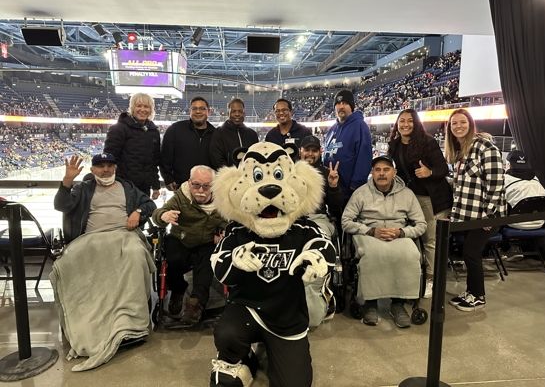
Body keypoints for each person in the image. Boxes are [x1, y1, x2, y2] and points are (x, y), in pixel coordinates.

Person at [209, 142, 335, 387]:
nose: (269, 189)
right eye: (257, 177)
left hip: (286, 316)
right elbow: (219, 265)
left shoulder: (304, 227)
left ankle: (269, 350)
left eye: (278, 175)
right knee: (227, 335)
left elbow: (323, 245)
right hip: (247, 310)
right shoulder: (237, 229)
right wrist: (235, 261)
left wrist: (318, 258)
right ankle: (239, 358)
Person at [51, 153, 156, 371]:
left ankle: (132, 325)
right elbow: (61, 205)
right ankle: (89, 326)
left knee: (136, 255)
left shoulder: (127, 187)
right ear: (93, 169)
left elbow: (150, 205)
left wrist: (137, 211)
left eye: (110, 166)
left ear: (115, 168)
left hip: (123, 235)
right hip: (90, 239)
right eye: (101, 166)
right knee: (67, 264)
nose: (106, 170)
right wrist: (67, 180)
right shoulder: (83, 189)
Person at [342, 155, 427, 328]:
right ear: (372, 173)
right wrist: (371, 231)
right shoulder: (361, 193)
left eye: (386, 169)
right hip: (369, 233)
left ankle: (398, 304)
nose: (382, 174)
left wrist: (401, 232)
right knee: (372, 255)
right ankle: (370, 303)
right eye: (378, 170)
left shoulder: (407, 194)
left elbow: (421, 224)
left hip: (398, 232)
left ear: (394, 172)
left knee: (410, 255)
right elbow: (346, 221)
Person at [445, 108, 506, 312]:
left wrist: (488, 217)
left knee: (471, 253)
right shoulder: (461, 150)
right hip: (469, 215)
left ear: (471, 124)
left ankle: (478, 296)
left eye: (462, 122)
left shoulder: (484, 146)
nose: (458, 126)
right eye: (454, 123)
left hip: (486, 216)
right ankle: (471, 292)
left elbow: (496, 184)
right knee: (468, 252)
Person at [387, 109, 452, 298]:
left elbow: (443, 169)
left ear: (416, 123)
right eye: (402, 121)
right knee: (413, 237)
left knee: (430, 239)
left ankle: (431, 279)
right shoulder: (396, 144)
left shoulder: (428, 142)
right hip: (411, 197)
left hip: (432, 198)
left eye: (409, 121)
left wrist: (429, 172)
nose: (405, 124)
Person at [152, 165, 227, 327]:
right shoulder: (181, 197)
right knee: (173, 257)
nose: (200, 190)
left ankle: (196, 304)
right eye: (196, 185)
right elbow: (157, 215)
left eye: (206, 186)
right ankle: (178, 290)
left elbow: (229, 222)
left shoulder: (222, 202)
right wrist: (163, 215)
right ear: (189, 183)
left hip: (206, 243)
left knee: (207, 263)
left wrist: (222, 232)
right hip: (181, 239)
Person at [103, 92, 161, 199]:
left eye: (146, 106)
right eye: (139, 106)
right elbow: (109, 159)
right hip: (122, 186)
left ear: (151, 110)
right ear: (132, 108)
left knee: (143, 214)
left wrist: (156, 186)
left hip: (144, 188)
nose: (142, 110)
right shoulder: (118, 129)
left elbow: (154, 162)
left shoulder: (154, 132)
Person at [323, 89, 373, 198]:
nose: (341, 106)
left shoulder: (360, 126)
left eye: (345, 103)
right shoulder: (332, 130)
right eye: (338, 103)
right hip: (331, 186)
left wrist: (356, 184)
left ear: (351, 106)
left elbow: (364, 158)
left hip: (349, 191)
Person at [160, 96, 216, 191]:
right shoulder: (175, 129)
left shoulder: (216, 134)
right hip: (181, 187)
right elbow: (165, 157)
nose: (198, 112)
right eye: (194, 108)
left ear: (209, 111)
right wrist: (168, 178)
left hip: (207, 189)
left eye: (202, 108)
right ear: (190, 111)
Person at [299, 135, 343, 237]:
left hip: (319, 219)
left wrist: (333, 187)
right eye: (306, 150)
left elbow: (335, 207)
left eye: (314, 150)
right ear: (300, 150)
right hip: (295, 219)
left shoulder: (328, 173)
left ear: (320, 152)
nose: (310, 154)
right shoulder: (291, 172)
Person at [504, 149, 545, 229]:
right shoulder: (536, 179)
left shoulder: (505, 179)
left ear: (508, 165)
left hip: (515, 223)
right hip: (539, 222)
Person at [210, 98, 259, 169]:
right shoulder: (219, 133)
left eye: (240, 111)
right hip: (229, 178)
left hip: (248, 177)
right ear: (228, 114)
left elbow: (256, 157)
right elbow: (217, 160)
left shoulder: (252, 134)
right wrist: (232, 175)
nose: (237, 114)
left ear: (244, 113)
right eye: (233, 111)